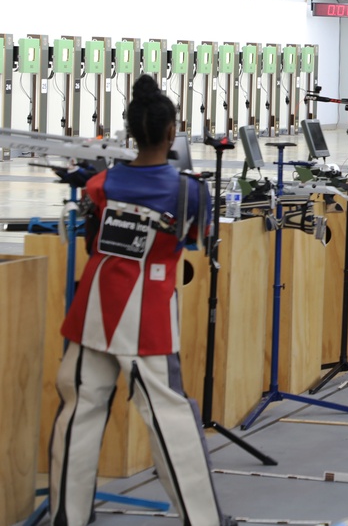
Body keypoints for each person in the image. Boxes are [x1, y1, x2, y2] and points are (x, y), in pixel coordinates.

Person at [49, 75, 230, 526]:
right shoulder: (191, 191)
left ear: (130, 133)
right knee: (170, 418)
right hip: (146, 316)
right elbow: (194, 241)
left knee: (79, 412)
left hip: (92, 309)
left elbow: (93, 243)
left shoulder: (101, 185)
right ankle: (203, 518)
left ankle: (66, 516)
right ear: (172, 133)